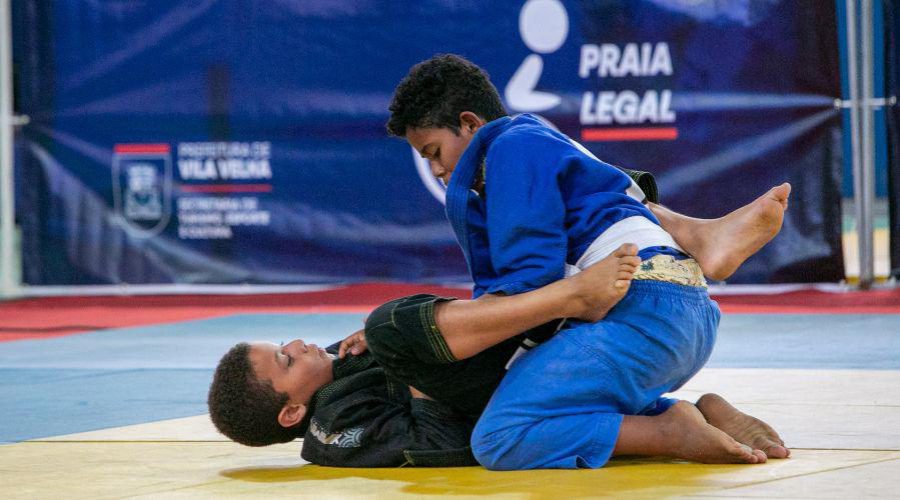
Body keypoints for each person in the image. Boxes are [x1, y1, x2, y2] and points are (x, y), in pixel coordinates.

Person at [384, 53, 791, 470]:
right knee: (538, 391)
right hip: (688, 316)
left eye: (434, 152)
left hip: (642, 315)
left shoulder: (508, 149)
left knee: (499, 437)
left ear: (470, 124)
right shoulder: (540, 141)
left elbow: (530, 277)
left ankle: (669, 430)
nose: (436, 170)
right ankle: (703, 414)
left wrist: (447, 328)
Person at [207, 252, 642, 467]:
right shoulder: (330, 432)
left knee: (389, 328)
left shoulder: (335, 363)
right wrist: (410, 362)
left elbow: (433, 336)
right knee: (388, 327)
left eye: (285, 344)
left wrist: (389, 346)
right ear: (293, 412)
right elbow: (439, 443)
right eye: (286, 361)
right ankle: (568, 298)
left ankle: (564, 289)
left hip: (527, 369)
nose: (299, 343)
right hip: (501, 404)